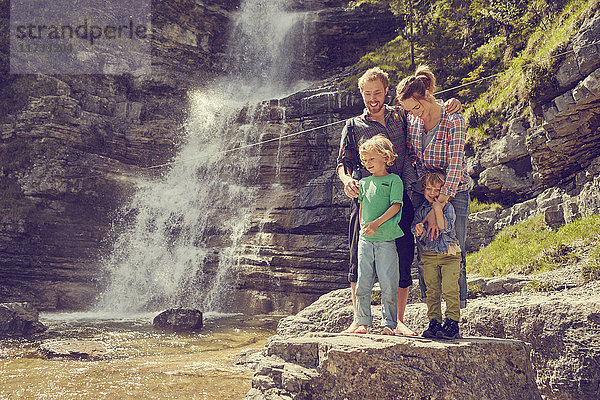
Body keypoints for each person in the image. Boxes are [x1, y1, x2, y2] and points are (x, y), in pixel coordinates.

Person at [336, 67, 462, 335]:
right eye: (367, 93)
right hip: (365, 200)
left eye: (378, 93)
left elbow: (426, 108)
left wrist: (452, 103)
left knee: (404, 256)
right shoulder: (353, 125)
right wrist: (347, 181)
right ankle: (358, 319)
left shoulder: (401, 116)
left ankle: (398, 320)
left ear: (386, 92)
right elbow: (343, 163)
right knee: (358, 258)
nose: (373, 98)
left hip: (401, 195)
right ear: (361, 93)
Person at [395, 64, 473, 309]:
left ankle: (456, 308)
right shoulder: (412, 119)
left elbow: (455, 163)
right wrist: (417, 187)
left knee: (452, 247)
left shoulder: (453, 119)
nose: (414, 114)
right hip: (422, 192)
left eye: (416, 107)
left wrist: (439, 203)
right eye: (409, 110)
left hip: (453, 191)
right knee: (426, 249)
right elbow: (410, 156)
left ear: (426, 95)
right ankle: (431, 309)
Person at [354, 135, 405, 334]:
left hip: (386, 240)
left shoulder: (394, 180)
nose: (367, 164)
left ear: (385, 157)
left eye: (371, 159)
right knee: (363, 283)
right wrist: (362, 228)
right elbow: (361, 207)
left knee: (388, 283)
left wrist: (376, 224)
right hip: (365, 241)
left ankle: (389, 324)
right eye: (364, 161)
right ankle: (363, 322)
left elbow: (396, 206)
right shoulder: (364, 182)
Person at [412, 170, 461, 339]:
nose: (432, 193)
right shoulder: (421, 210)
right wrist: (418, 229)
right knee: (432, 290)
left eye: (437, 190)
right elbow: (417, 230)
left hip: (450, 255)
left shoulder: (449, 208)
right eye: (429, 189)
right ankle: (434, 321)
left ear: (444, 191)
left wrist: (437, 207)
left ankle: (452, 321)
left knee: (449, 288)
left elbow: (443, 227)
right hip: (430, 255)